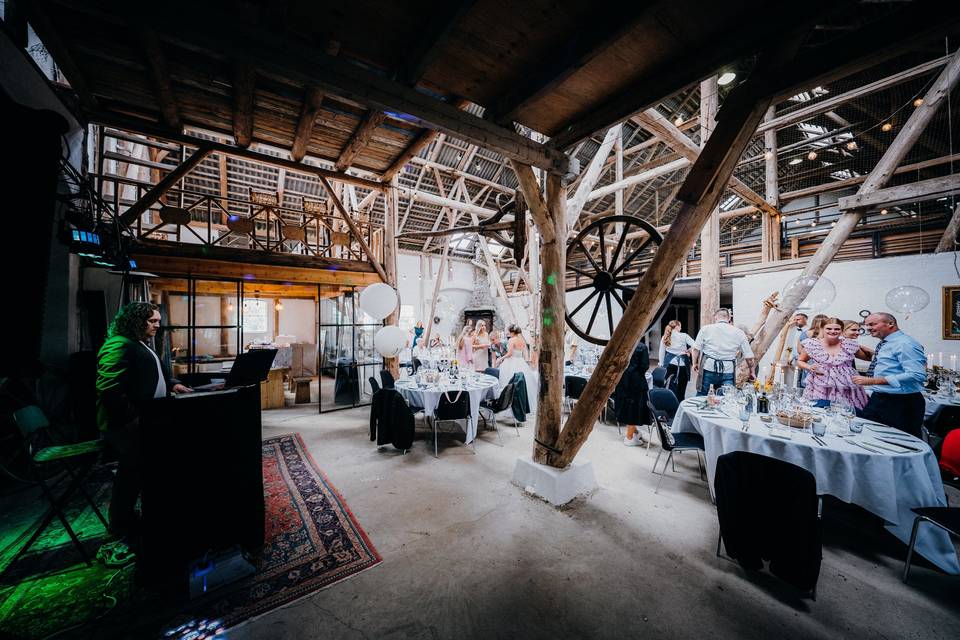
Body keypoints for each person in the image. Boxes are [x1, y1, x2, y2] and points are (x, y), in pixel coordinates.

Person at [96, 302, 192, 558]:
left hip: (146, 420)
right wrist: (133, 420)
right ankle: (121, 526)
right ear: (135, 321)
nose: (157, 326)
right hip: (128, 425)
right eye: (152, 322)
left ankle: (134, 519)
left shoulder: (138, 343)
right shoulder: (119, 344)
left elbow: (152, 374)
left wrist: (172, 385)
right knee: (130, 475)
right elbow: (110, 389)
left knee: (137, 472)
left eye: (158, 321)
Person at [852, 312, 927, 437]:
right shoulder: (885, 343)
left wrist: (873, 381)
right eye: (867, 325)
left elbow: (917, 374)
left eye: (872, 324)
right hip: (880, 399)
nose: (868, 328)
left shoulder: (905, 343)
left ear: (890, 324)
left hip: (901, 403)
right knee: (870, 438)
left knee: (901, 444)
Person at [796, 317, 869, 409]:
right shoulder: (813, 344)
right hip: (821, 383)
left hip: (845, 386)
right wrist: (809, 367)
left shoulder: (849, 344)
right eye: (829, 328)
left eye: (837, 329)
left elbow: (871, 358)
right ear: (823, 329)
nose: (833, 331)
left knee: (846, 412)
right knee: (817, 410)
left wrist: (873, 351)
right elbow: (800, 361)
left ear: (842, 330)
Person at [691, 309, 755, 395]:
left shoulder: (706, 329)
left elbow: (695, 349)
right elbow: (749, 356)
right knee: (726, 399)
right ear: (729, 318)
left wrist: (694, 363)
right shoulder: (739, 332)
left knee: (702, 395)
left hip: (709, 368)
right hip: (727, 371)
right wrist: (752, 372)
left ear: (716, 318)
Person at [495, 324, 538, 415]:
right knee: (522, 385)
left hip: (511, 362)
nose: (507, 333)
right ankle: (523, 406)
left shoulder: (511, 340)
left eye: (508, 331)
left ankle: (509, 408)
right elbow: (523, 353)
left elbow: (510, 353)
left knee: (509, 384)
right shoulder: (522, 340)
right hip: (521, 362)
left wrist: (501, 358)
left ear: (512, 332)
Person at [615, 339, 651, 446]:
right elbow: (644, 366)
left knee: (627, 404)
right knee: (634, 406)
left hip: (623, 378)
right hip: (636, 379)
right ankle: (629, 438)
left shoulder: (622, 344)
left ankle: (634, 432)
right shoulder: (641, 347)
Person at [659, 320, 694, 400]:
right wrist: (688, 350)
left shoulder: (665, 336)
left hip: (669, 365)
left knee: (670, 387)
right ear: (677, 326)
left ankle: (670, 406)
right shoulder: (684, 336)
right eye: (680, 326)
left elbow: (661, 352)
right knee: (681, 389)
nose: (681, 328)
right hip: (682, 366)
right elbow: (695, 346)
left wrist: (661, 364)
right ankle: (679, 407)